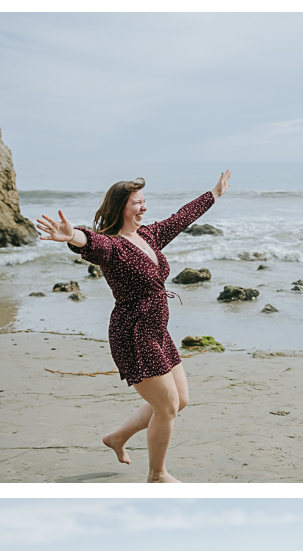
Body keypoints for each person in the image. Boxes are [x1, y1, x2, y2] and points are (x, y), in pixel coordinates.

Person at [36, 171, 230, 483]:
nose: (143, 208)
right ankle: (157, 475)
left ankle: (116, 437)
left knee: (180, 400)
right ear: (119, 208)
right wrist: (71, 235)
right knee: (166, 408)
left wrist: (214, 193)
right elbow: (90, 241)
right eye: (136, 203)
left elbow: (181, 218)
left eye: (144, 201)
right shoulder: (113, 247)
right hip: (135, 334)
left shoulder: (150, 236)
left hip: (157, 331)